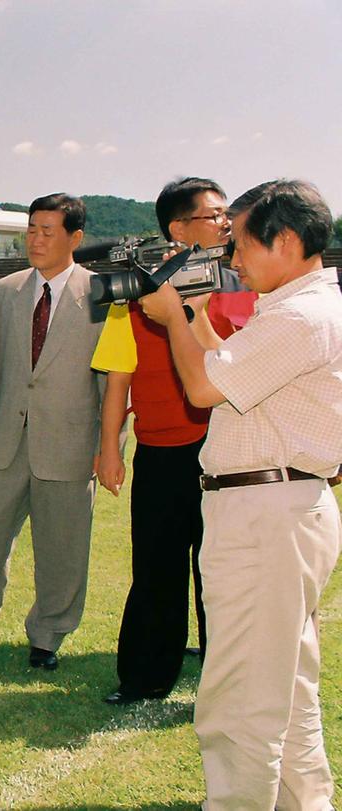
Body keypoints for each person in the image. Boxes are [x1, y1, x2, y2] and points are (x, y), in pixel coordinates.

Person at [140, 179, 341, 810]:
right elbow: (232, 373)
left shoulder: (299, 317)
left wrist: (173, 317)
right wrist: (196, 316)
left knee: (238, 700)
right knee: (288, 690)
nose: (232, 260)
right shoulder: (303, 309)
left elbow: (202, 390)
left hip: (264, 513)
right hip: (281, 507)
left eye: (243, 244)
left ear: (284, 241)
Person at [92, 177, 258, 706]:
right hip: (162, 453)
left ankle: (224, 679)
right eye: (214, 216)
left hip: (226, 452)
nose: (225, 225)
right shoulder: (136, 290)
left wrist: (197, 313)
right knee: (156, 569)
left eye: (226, 216)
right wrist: (109, 448)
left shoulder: (246, 284)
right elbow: (119, 377)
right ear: (177, 228)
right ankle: (145, 677)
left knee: (221, 572)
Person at [0, 193, 108, 670]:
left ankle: (48, 636)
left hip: (71, 444)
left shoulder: (100, 293)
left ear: (75, 238)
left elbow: (112, 380)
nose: (35, 239)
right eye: (31, 229)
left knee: (62, 547)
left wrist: (107, 447)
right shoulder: (8, 289)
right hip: (7, 439)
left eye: (47, 231)